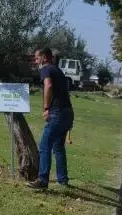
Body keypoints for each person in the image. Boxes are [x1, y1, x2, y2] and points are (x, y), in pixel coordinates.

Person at [28, 48, 74, 190]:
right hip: (67, 113)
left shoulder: (46, 69)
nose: (35, 61)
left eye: (37, 58)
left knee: (44, 146)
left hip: (57, 114)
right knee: (58, 147)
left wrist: (46, 108)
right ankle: (63, 180)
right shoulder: (57, 70)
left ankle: (42, 180)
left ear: (44, 58)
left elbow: (48, 85)